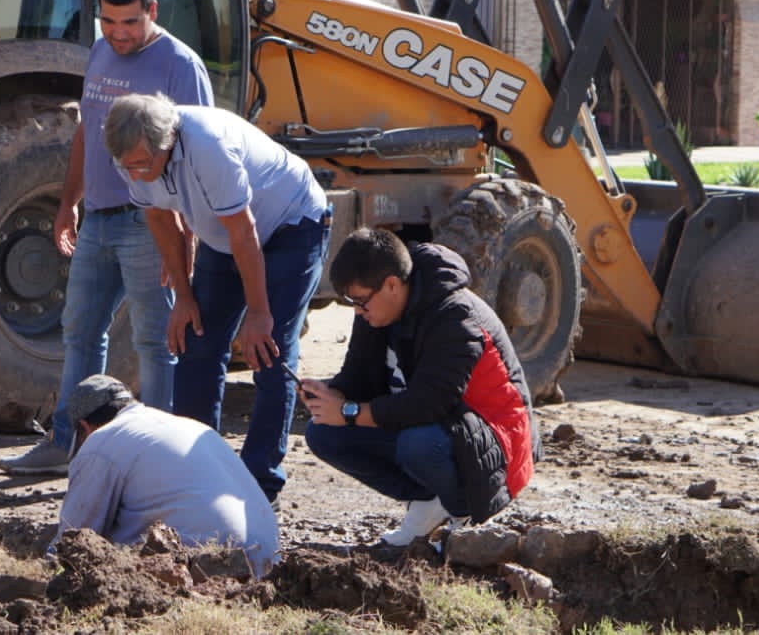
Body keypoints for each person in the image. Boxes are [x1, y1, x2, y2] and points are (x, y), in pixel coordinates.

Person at [0, 0, 212, 475]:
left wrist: (187, 243)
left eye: (130, 22)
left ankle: (159, 457)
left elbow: (197, 159)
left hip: (152, 223)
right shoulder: (99, 53)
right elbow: (86, 134)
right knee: (79, 332)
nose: (119, 33)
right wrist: (68, 202)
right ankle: (65, 443)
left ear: (153, 11)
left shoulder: (181, 66)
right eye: (109, 22)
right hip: (96, 219)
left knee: (156, 342)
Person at [102, 92, 330, 502]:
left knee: (268, 349)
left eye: (141, 165)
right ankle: (196, 470)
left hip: (292, 224)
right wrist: (184, 298)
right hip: (226, 235)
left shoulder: (208, 148)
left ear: (166, 143)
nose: (134, 175)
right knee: (197, 341)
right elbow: (159, 217)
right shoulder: (129, 154)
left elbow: (245, 233)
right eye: (126, 166)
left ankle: (259, 482)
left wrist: (259, 313)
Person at [299, 227, 537, 547]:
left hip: (500, 442)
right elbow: (359, 376)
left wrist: (349, 411)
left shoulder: (455, 316)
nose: (356, 311)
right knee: (323, 432)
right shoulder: (376, 310)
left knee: (419, 444)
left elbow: (429, 403)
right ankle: (429, 504)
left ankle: (461, 515)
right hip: (446, 429)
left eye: (359, 301)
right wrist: (332, 394)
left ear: (392, 285)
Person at [53, 374, 279, 574]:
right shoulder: (189, 426)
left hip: (213, 568)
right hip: (271, 564)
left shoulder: (101, 441)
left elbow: (73, 542)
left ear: (84, 428)